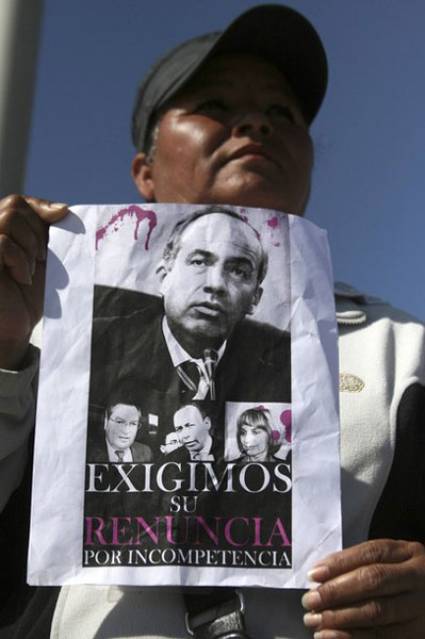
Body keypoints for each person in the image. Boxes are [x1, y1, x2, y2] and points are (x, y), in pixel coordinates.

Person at [0, 4, 424, 639]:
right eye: (215, 105)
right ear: (144, 170)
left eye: (283, 113)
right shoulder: (43, 329)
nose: (255, 122)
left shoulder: (405, 353)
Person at [89, 207, 291, 446]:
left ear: (255, 299)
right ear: (164, 277)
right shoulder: (95, 345)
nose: (216, 285)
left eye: (238, 271)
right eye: (199, 262)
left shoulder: (287, 363)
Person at [87, 400, 152, 463]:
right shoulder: (88, 452)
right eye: (119, 422)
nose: (126, 431)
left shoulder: (146, 452)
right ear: (106, 422)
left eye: (133, 424)